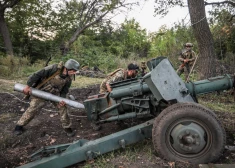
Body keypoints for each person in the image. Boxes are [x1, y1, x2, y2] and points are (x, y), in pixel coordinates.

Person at [14, 59, 80, 137]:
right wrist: (28, 86)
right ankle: (19, 126)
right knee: (33, 108)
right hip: (41, 92)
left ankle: (67, 128)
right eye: (73, 71)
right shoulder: (54, 68)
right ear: (67, 68)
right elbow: (37, 75)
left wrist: (62, 100)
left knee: (63, 108)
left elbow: (64, 91)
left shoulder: (69, 78)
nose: (74, 73)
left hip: (55, 95)